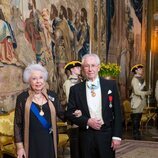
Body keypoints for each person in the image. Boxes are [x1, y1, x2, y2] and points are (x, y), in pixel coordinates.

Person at [66, 53, 122, 158]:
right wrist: (87, 121)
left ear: (98, 67)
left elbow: (118, 112)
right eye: (87, 66)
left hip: (106, 135)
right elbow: (69, 113)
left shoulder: (111, 85)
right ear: (83, 69)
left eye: (93, 65)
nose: (90, 69)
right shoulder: (75, 89)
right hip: (86, 136)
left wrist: (117, 136)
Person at [14, 63, 65, 158]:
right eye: (34, 79)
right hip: (31, 142)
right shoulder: (22, 98)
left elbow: (63, 115)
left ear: (44, 79)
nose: (38, 81)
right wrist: (20, 147)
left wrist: (75, 112)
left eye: (41, 78)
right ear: (28, 80)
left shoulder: (52, 96)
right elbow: (18, 124)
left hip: (49, 141)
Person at [63, 60, 82, 158]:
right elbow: (69, 98)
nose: (80, 69)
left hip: (83, 113)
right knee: (75, 140)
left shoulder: (82, 80)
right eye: (77, 68)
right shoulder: (68, 82)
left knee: (82, 140)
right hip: (74, 113)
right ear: (72, 69)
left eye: (79, 67)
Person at [130, 64, 151, 140]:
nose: (142, 70)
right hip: (136, 101)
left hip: (141, 101)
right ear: (136, 70)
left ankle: (137, 133)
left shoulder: (141, 79)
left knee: (139, 117)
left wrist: (147, 91)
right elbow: (136, 91)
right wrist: (146, 93)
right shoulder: (134, 80)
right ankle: (135, 134)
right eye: (140, 69)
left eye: (142, 69)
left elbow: (142, 89)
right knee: (136, 118)